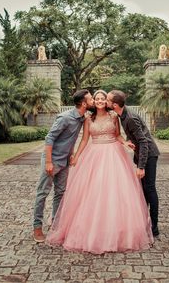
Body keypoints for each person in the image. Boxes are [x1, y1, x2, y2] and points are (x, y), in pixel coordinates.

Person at [46, 90, 154, 253]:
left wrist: (125, 143)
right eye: (97, 98)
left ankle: (118, 229)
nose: (100, 100)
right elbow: (84, 140)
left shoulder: (114, 117)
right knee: (93, 191)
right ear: (94, 102)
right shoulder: (88, 119)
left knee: (115, 191)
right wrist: (76, 156)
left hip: (114, 154)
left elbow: (117, 135)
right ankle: (90, 228)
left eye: (103, 98)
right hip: (94, 154)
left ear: (107, 102)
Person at [33, 89, 94, 243]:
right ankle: (37, 227)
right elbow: (49, 138)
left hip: (65, 162)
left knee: (60, 193)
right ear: (84, 103)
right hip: (52, 161)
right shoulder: (65, 118)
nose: (93, 100)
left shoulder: (82, 118)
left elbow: (71, 138)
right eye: (91, 99)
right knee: (42, 193)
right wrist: (48, 162)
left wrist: (72, 153)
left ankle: (55, 224)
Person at [107, 90, 160, 237]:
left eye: (107, 100)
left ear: (115, 104)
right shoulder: (121, 114)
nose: (105, 101)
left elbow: (144, 141)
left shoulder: (129, 118)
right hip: (141, 155)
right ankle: (144, 222)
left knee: (149, 189)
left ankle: (154, 227)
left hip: (149, 155)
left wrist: (141, 166)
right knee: (143, 190)